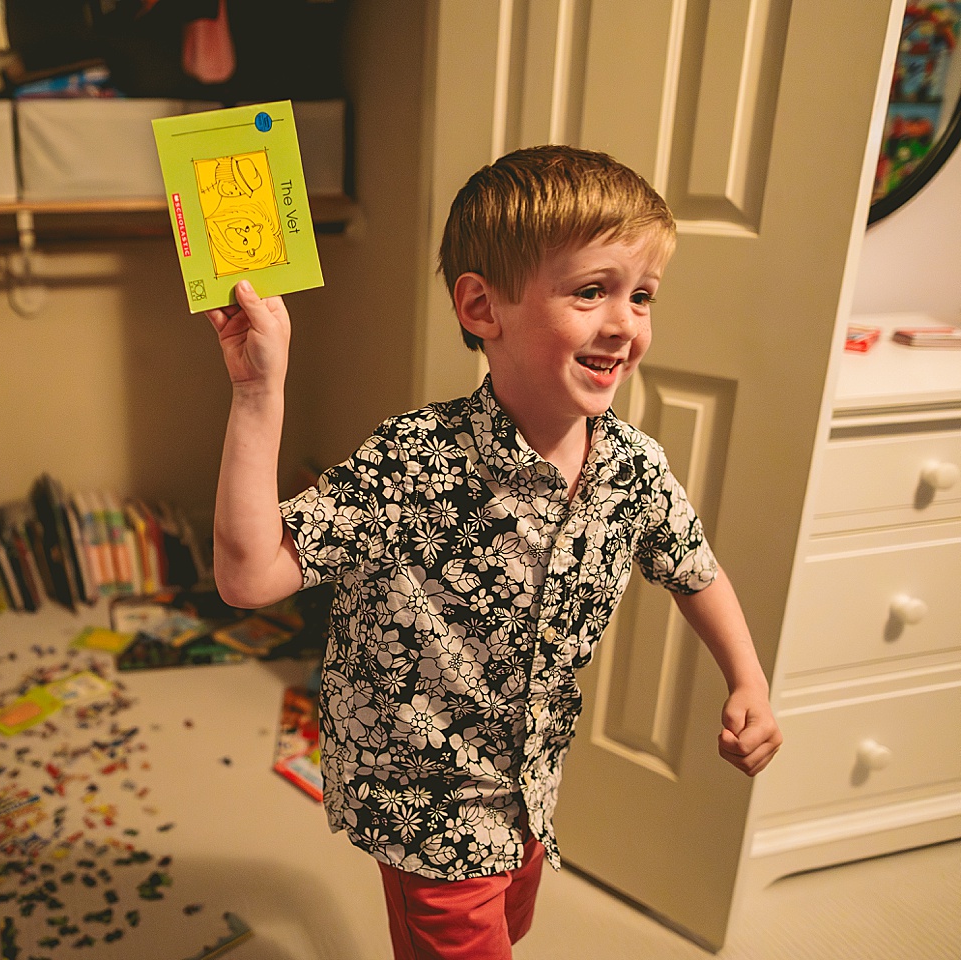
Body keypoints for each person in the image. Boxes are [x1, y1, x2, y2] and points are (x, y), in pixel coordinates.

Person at [205, 144, 783, 960]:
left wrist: (748, 678)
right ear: (481, 307)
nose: (625, 323)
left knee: (513, 926)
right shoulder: (414, 462)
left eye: (642, 295)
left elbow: (695, 568)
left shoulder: (632, 467)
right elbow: (249, 574)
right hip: (427, 804)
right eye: (592, 291)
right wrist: (259, 392)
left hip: (530, 789)